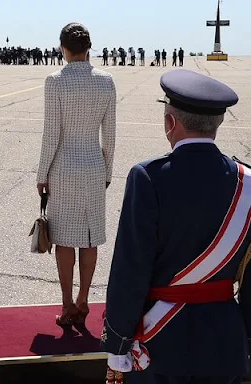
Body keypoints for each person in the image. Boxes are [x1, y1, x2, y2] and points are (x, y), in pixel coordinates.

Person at [102, 69, 250, 384]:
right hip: (225, 345)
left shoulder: (149, 178)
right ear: (219, 122)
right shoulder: (246, 184)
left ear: (170, 123)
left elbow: (130, 271)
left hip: (161, 347)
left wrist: (117, 344)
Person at [36, 22, 116, 326]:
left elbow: (50, 134)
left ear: (63, 48)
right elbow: (109, 135)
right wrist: (107, 170)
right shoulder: (106, 81)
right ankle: (84, 301)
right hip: (94, 166)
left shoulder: (55, 81)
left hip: (64, 168)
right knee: (90, 237)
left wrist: (42, 173)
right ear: (89, 48)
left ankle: (67, 304)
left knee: (65, 239)